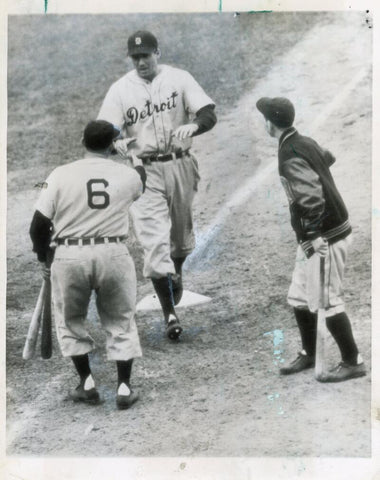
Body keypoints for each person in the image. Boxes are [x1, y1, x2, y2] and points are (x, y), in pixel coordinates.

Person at [97, 30, 217, 340]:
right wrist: (117, 144)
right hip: (145, 173)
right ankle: (170, 315)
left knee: (180, 238)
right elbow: (102, 135)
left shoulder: (179, 78)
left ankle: (175, 270)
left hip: (181, 165)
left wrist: (194, 125)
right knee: (153, 242)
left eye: (145, 56)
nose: (140, 62)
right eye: (135, 57)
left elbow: (208, 112)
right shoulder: (120, 90)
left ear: (157, 53)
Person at [29, 120, 147, 409]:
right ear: (111, 145)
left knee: (70, 322)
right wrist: (129, 155)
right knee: (121, 319)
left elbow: (38, 226)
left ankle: (87, 383)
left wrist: (44, 258)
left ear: (82, 141)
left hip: (69, 257)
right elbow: (141, 178)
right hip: (113, 254)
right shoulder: (126, 175)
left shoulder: (58, 175)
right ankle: (123, 388)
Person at [256, 97, 366, 382]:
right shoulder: (303, 142)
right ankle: (310, 352)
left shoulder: (290, 153)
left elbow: (312, 198)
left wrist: (315, 235)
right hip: (315, 234)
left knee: (327, 300)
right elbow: (327, 157)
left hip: (325, 235)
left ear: (270, 123)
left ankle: (353, 360)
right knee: (299, 296)